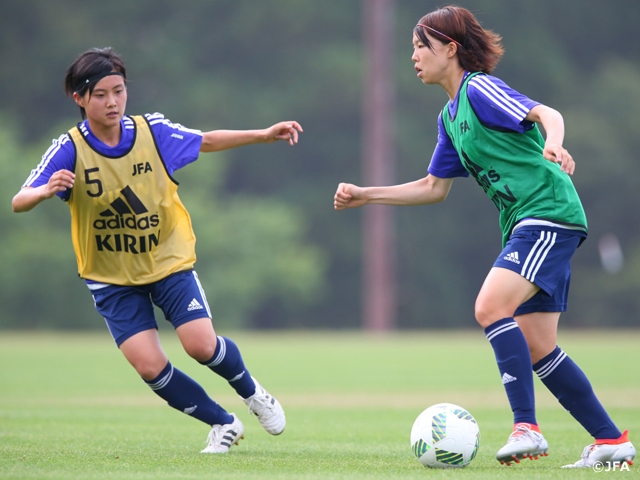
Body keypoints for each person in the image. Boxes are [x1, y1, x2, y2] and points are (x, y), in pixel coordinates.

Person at [334, 5, 635, 469]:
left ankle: (526, 428)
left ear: (450, 49)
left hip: (547, 214)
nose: (413, 56)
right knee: (538, 345)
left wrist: (553, 140)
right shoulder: (449, 118)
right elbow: (433, 188)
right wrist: (366, 195)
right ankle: (611, 439)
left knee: (490, 307)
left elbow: (545, 113)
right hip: (528, 223)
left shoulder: (480, 89)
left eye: (421, 46)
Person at [12, 47, 303, 454]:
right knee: (149, 366)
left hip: (168, 260)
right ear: (80, 99)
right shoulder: (70, 149)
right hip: (111, 277)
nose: (112, 101)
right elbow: (18, 200)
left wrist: (262, 134)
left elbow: (205, 141)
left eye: (119, 90)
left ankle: (254, 394)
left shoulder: (151, 132)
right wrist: (44, 191)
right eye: (100, 95)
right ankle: (223, 424)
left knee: (200, 345)